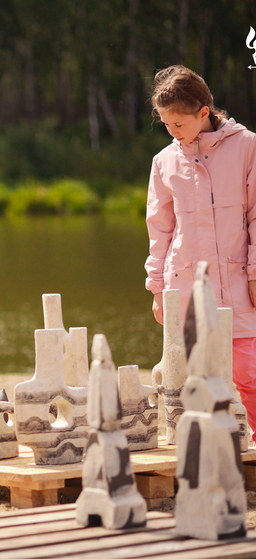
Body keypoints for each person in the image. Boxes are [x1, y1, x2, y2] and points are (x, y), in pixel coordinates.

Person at [145, 65, 256, 442]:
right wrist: (158, 287)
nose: (172, 132)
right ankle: (206, 449)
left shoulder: (247, 146)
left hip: (239, 280)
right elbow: (159, 229)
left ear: (203, 112)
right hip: (185, 281)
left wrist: (255, 273)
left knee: (249, 372)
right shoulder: (164, 161)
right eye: (165, 124)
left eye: (178, 123)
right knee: (191, 375)